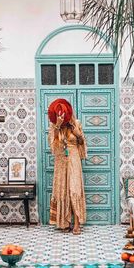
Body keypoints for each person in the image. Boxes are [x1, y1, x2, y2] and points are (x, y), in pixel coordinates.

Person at [48, 98, 87, 234]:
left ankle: (77, 223)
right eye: (59, 115)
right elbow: (52, 145)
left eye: (63, 115)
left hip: (74, 159)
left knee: (74, 188)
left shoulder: (76, 124)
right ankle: (64, 222)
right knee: (62, 189)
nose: (61, 117)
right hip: (60, 161)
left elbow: (82, 143)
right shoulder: (54, 126)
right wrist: (58, 126)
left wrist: (78, 135)